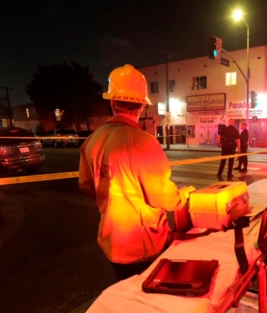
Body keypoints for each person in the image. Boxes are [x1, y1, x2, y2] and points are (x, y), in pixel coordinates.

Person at [79, 64, 192, 281]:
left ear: (112, 102)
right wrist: (183, 196)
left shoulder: (92, 141)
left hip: (112, 240)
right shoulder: (143, 142)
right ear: (141, 105)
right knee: (149, 301)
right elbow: (163, 196)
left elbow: (85, 184)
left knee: (125, 297)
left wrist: (109, 201)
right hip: (144, 247)